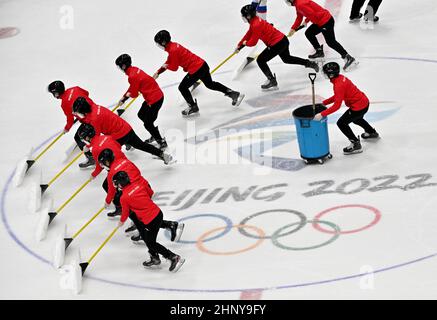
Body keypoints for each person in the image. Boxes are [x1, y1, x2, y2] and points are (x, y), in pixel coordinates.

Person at [153, 30, 245, 117]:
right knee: (210, 84)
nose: (159, 45)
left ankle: (193, 106)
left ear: (163, 42)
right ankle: (233, 93)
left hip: (196, 70)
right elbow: (170, 61)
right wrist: (159, 72)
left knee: (182, 87)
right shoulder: (174, 46)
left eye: (159, 43)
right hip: (203, 65)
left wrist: (166, 67)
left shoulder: (172, 50)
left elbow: (174, 68)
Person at [113, 171, 185, 272]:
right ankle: (171, 226)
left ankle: (173, 257)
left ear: (120, 183)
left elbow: (125, 213)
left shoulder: (124, 197)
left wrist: (121, 222)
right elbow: (150, 193)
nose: (116, 185)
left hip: (149, 221)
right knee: (148, 236)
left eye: (116, 183)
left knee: (151, 243)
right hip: (158, 213)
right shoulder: (138, 185)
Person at [237, 4, 319, 91]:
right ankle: (309, 63)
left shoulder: (256, 24)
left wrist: (245, 43)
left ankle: (271, 80)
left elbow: (253, 42)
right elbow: (249, 33)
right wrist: (239, 44)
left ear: (249, 16)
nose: (243, 17)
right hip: (283, 40)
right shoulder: (255, 20)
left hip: (277, 44)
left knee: (261, 60)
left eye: (244, 15)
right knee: (287, 59)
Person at [72, 97, 174, 165]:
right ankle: (161, 154)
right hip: (126, 128)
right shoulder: (95, 106)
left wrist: (87, 147)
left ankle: (118, 171)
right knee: (141, 145)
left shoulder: (94, 120)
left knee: (111, 156)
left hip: (117, 136)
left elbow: (96, 138)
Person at [313, 62, 379, 154]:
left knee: (341, 123)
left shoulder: (338, 85)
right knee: (357, 119)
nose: (324, 74)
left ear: (331, 74)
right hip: (364, 102)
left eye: (325, 73)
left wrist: (321, 114)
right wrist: (324, 103)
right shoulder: (340, 79)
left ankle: (356, 144)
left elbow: (337, 105)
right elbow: (338, 96)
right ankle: (371, 132)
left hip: (358, 107)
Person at [284, 0, 357, 71]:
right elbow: (299, 17)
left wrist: (306, 21)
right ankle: (319, 51)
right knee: (309, 33)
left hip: (326, 21)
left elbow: (312, 14)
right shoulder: (298, 4)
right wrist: (293, 29)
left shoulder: (300, 4)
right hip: (320, 21)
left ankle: (348, 58)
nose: (286, 2)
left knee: (331, 42)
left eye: (287, 0)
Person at [115, 54, 168, 150]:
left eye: (120, 67)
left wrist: (125, 98)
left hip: (155, 100)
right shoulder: (134, 69)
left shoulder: (132, 76)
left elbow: (134, 94)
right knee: (141, 114)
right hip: (153, 97)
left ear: (123, 66)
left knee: (148, 123)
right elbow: (133, 87)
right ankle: (154, 133)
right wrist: (124, 97)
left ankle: (161, 141)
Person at [77, 123, 127, 218]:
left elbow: (100, 166)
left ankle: (121, 205)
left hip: (114, 168)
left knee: (107, 186)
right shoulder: (106, 137)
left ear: (87, 138)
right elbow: (118, 146)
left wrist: (93, 174)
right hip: (124, 162)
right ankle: (120, 204)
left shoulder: (95, 150)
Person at [47, 80, 96, 169]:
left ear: (57, 93)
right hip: (96, 110)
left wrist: (67, 128)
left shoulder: (64, 104)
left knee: (78, 137)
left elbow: (70, 119)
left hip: (88, 120)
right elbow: (87, 93)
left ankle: (91, 158)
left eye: (53, 93)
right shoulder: (75, 88)